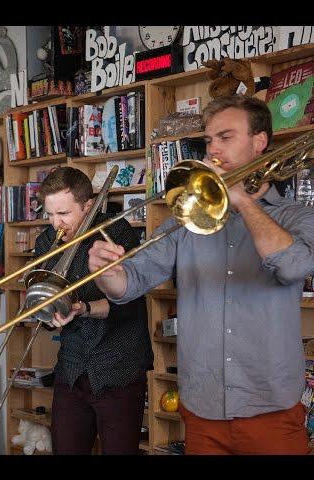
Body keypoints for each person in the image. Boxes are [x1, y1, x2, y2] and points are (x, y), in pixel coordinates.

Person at [88, 94, 314, 454]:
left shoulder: (295, 217)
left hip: (270, 410)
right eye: (209, 140)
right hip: (202, 409)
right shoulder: (186, 220)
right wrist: (105, 270)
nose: (213, 150)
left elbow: (293, 267)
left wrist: (242, 200)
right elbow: (128, 283)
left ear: (260, 143)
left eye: (226, 137)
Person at [33, 166, 152, 454]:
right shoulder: (46, 242)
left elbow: (129, 304)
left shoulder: (117, 233)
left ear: (88, 206)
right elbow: (45, 302)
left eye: (64, 214)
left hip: (118, 368)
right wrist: (50, 314)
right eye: (49, 214)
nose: (55, 223)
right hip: (71, 369)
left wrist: (83, 308)